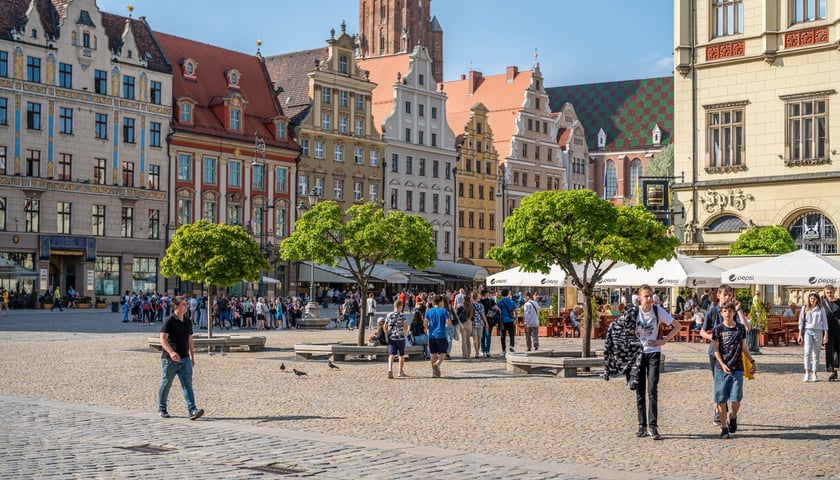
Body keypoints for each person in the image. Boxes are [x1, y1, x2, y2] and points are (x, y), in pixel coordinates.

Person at [632, 284, 680, 440]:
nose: (648, 299)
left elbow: (676, 326)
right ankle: (642, 426)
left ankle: (653, 425)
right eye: (646, 296)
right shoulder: (633, 313)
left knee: (652, 388)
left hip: (653, 353)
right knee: (640, 390)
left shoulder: (657, 310)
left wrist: (663, 340)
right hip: (638, 354)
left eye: (650, 296)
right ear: (639, 298)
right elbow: (623, 331)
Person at [701, 285, 751, 426]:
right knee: (720, 384)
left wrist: (739, 309)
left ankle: (729, 413)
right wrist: (715, 338)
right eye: (725, 294)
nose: (728, 297)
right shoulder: (713, 311)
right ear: (718, 295)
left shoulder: (733, 311)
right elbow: (702, 332)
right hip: (716, 354)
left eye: (730, 295)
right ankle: (720, 411)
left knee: (733, 386)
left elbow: (746, 328)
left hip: (734, 354)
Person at [712, 301, 755, 439]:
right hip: (721, 369)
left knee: (736, 399)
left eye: (730, 310)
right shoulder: (718, 329)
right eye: (725, 310)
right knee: (721, 400)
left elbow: (744, 347)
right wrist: (722, 364)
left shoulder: (740, 328)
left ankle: (733, 416)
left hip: (737, 368)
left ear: (734, 313)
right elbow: (715, 350)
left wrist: (752, 361)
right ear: (721, 313)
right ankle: (724, 427)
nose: (728, 313)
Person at [157, 295, 204, 420]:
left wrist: (192, 357)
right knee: (166, 383)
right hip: (170, 359)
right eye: (183, 304)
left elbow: (190, 340)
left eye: (186, 304)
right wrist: (171, 352)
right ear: (176, 306)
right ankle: (162, 408)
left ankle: (192, 410)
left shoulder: (188, 321)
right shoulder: (169, 321)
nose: (186, 306)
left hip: (185, 358)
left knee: (187, 385)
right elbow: (162, 339)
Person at [798, 291, 828, 382]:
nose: (812, 300)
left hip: (818, 331)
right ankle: (807, 372)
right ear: (809, 299)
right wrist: (800, 334)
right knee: (807, 351)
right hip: (807, 331)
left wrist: (825, 335)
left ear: (817, 299)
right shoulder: (804, 308)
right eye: (811, 298)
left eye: (814, 298)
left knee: (816, 353)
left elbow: (825, 322)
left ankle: (814, 373)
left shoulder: (821, 309)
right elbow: (801, 321)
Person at [424, 294, 451, 378]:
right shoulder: (444, 311)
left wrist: (428, 329)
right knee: (443, 352)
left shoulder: (429, 311)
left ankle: (433, 373)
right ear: (440, 302)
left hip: (431, 335)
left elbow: (424, 323)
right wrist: (446, 325)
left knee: (433, 353)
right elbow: (448, 322)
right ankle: (438, 363)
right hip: (441, 334)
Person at [386, 299, 409, 378]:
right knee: (401, 355)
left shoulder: (389, 315)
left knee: (392, 354)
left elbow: (385, 325)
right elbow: (405, 326)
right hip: (400, 337)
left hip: (392, 336)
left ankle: (390, 369)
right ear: (400, 306)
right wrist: (404, 328)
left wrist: (387, 331)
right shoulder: (402, 315)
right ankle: (400, 371)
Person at [822, 285, 840, 382]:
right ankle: (831, 371)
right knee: (829, 350)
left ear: (834, 292)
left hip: (838, 329)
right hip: (827, 330)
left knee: (837, 350)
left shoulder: (839, 302)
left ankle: (836, 369)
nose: (829, 294)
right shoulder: (823, 304)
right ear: (825, 293)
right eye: (827, 292)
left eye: (831, 292)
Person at [496, 288, 518, 356]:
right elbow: (516, 311)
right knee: (511, 334)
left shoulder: (500, 302)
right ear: (508, 294)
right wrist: (516, 318)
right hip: (510, 320)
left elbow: (496, 309)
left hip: (503, 320)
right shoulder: (512, 302)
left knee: (503, 336)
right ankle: (511, 346)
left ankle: (503, 350)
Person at [479, 290, 498, 357]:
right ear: (486, 294)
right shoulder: (491, 301)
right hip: (490, 320)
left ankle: (482, 350)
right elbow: (497, 308)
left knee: (482, 336)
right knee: (488, 336)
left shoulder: (480, 302)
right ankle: (487, 351)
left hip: (482, 321)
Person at [470, 291, 486, 358]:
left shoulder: (470, 305)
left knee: (475, 339)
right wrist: (486, 323)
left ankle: (476, 353)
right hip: (480, 323)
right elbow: (483, 315)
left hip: (473, 323)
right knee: (479, 339)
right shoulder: (481, 305)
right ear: (477, 297)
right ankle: (478, 352)